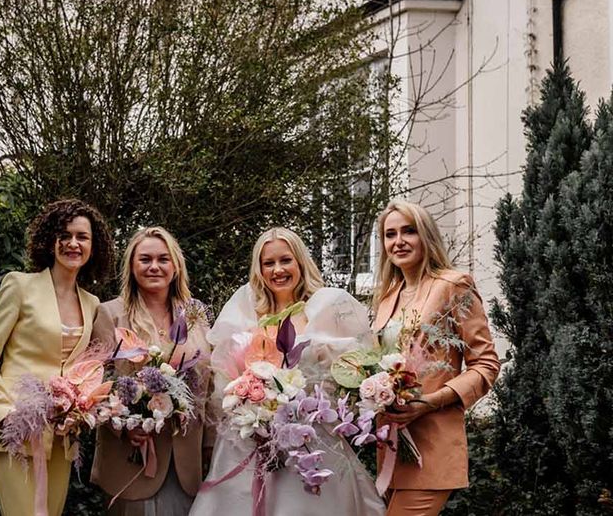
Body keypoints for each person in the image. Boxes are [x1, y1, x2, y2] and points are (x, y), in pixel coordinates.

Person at [190, 227, 386, 515]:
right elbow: (223, 382)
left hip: (310, 441)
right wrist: (253, 412)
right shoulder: (246, 313)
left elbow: (349, 375)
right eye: (268, 263)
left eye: (286, 260)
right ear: (259, 269)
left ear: (299, 262)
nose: (278, 270)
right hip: (249, 441)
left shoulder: (325, 308)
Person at [0, 199, 114, 516]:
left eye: (82, 237)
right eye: (64, 235)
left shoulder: (91, 304)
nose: (72, 243)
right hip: (16, 429)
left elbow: (88, 368)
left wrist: (81, 406)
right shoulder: (19, 286)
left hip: (62, 435)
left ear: (94, 246)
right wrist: (6, 414)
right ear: (50, 241)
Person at [372, 200, 500, 516]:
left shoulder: (453, 285)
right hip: (390, 447)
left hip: (431, 445)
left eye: (408, 231)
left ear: (426, 235)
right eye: (390, 234)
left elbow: (486, 363)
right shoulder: (388, 297)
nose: (398, 241)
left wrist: (432, 400)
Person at [90, 226, 213, 516]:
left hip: (186, 461)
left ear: (175, 266)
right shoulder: (110, 314)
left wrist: (210, 446)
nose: (154, 266)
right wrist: (123, 427)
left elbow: (210, 385)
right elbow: (95, 383)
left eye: (163, 259)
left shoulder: (195, 316)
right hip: (133, 460)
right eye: (145, 259)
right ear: (132, 266)